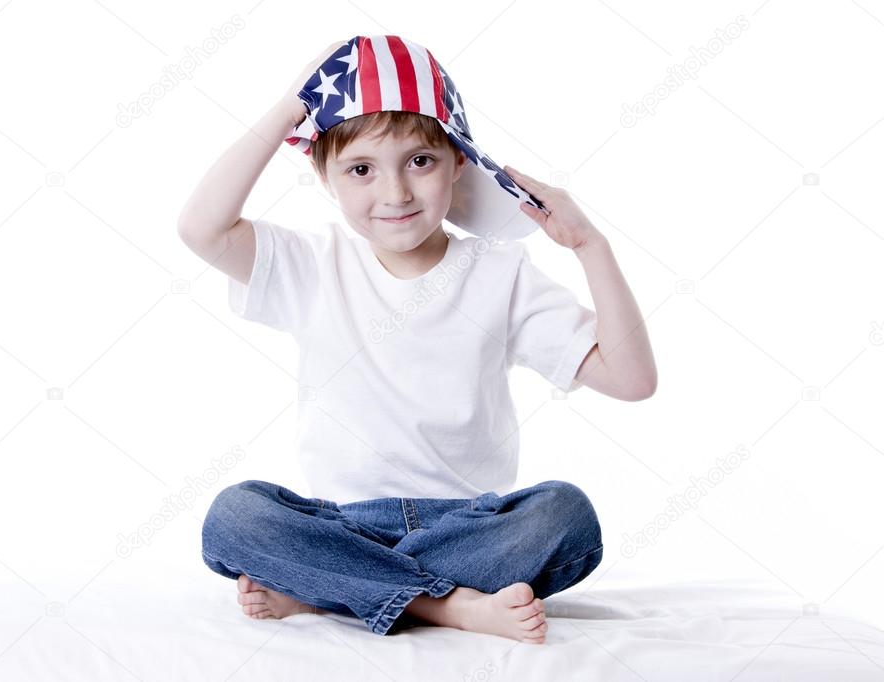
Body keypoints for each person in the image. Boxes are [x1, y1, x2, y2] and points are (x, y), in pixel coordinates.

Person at [178, 35, 657, 644]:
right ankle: (447, 606)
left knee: (566, 515)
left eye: (420, 162)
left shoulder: (500, 272)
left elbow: (632, 380)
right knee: (236, 517)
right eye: (360, 169)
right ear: (323, 175)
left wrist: (591, 246)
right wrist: (291, 108)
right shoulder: (312, 264)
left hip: (466, 525)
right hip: (339, 524)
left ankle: (334, 591)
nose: (396, 193)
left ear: (458, 161)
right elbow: (200, 227)